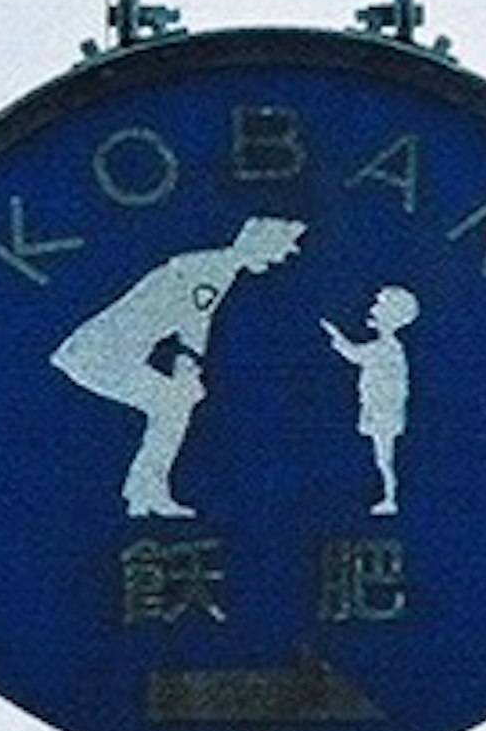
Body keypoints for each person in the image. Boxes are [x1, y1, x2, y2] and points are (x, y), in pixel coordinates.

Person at [47, 217, 307, 518]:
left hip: (105, 354)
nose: (286, 256)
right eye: (283, 247)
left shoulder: (213, 267)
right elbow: (193, 326)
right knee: (173, 406)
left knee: (174, 406)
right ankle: (145, 492)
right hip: (98, 355)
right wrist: (187, 373)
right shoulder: (211, 272)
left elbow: (193, 323)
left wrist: (188, 374)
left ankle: (143, 492)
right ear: (262, 244)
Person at [322, 284, 418, 515]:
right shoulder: (389, 347)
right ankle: (387, 497)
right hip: (379, 410)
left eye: (378, 307)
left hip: (382, 413)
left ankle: (389, 498)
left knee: (384, 459)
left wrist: (334, 334)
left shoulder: (387, 348)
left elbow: (355, 354)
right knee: (382, 458)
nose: (372, 310)